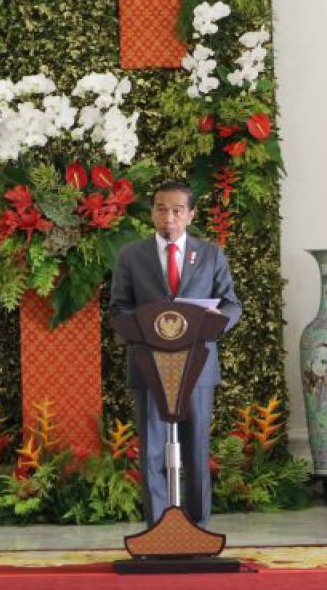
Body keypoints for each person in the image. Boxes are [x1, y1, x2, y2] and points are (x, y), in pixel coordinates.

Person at [108, 181, 242, 527]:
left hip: (197, 367)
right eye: (161, 209)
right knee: (152, 449)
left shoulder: (211, 254)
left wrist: (212, 327)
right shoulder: (131, 256)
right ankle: (157, 529)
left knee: (196, 450)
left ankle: (197, 527)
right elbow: (118, 309)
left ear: (191, 215)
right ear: (152, 212)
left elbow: (231, 304)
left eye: (177, 210)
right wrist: (142, 332)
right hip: (148, 364)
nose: (169, 217)